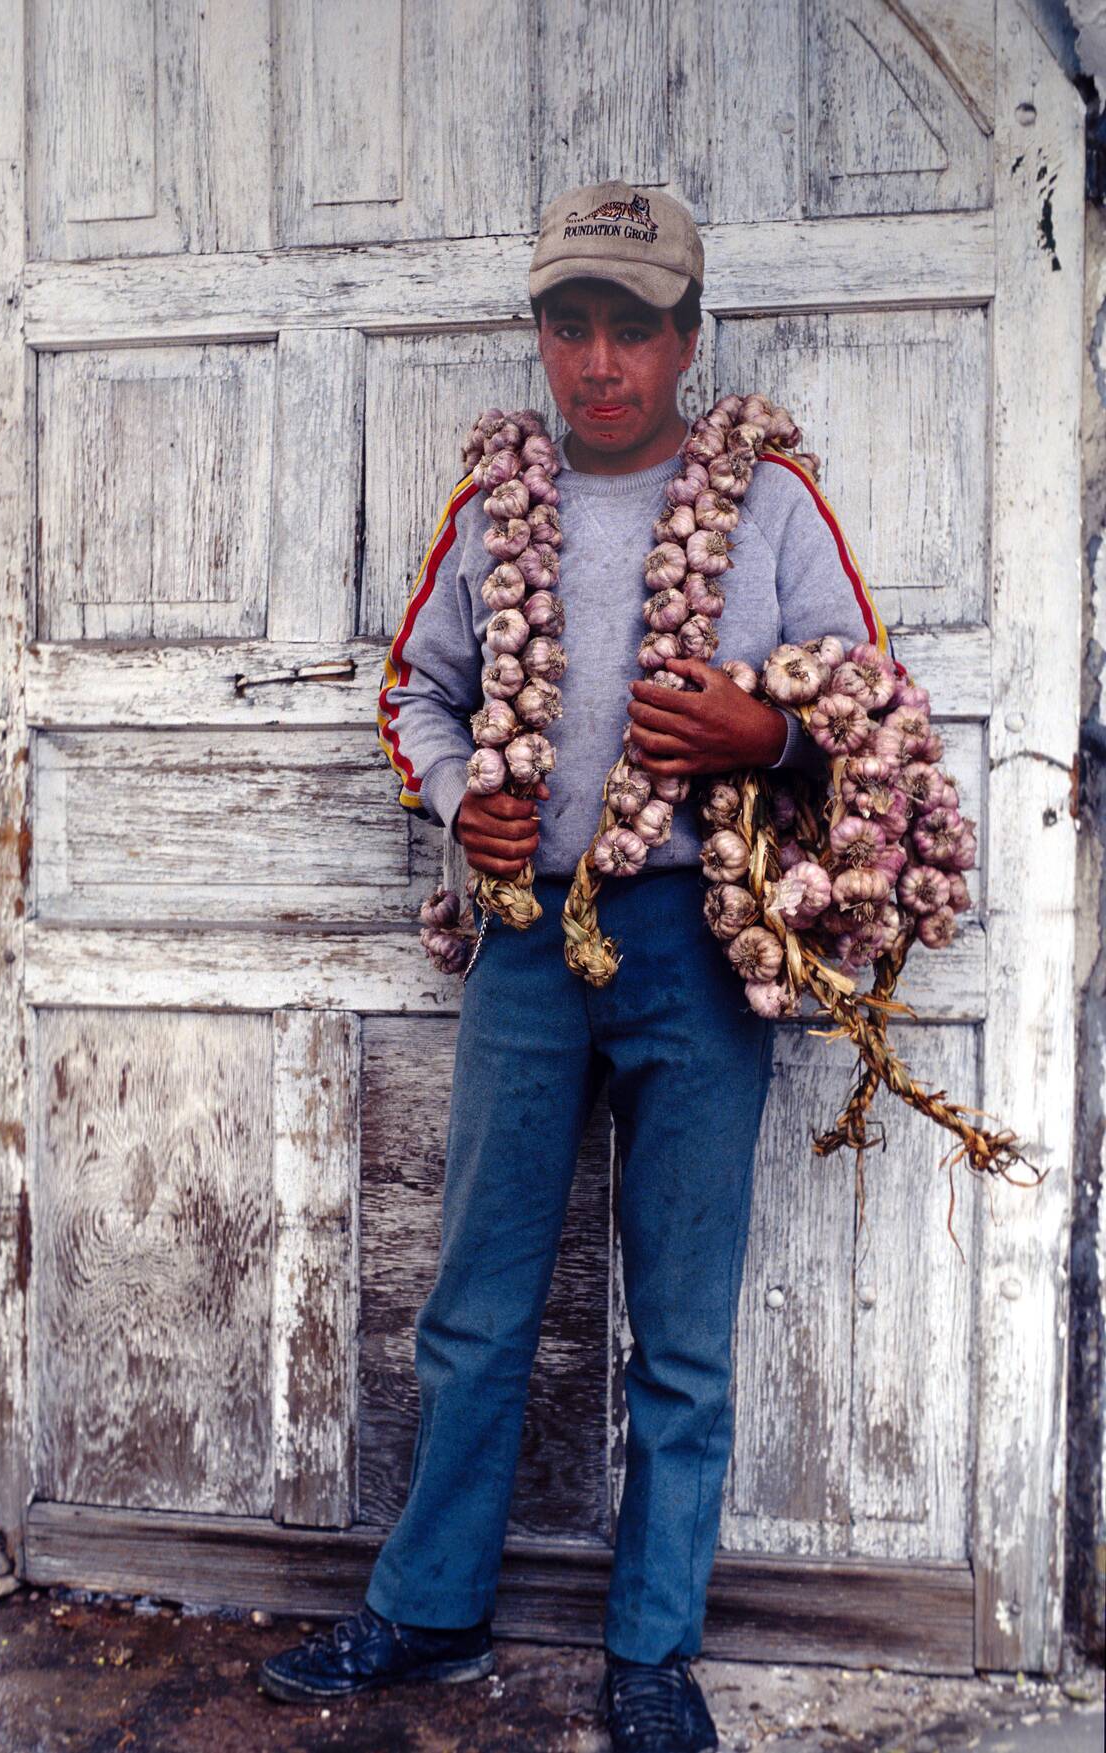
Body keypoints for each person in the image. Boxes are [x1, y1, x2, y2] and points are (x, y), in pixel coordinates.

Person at [259, 181, 890, 1753]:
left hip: (699, 942)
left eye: (632, 328)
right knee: (476, 1298)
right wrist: (462, 791)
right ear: (540, 338)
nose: (599, 361)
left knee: (681, 1321)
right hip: (530, 939)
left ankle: (654, 1648)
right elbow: (421, 686)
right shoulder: (495, 510)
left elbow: (872, 704)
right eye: (570, 326)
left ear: (686, 338)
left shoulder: (772, 507)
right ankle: (432, 1607)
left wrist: (769, 729)